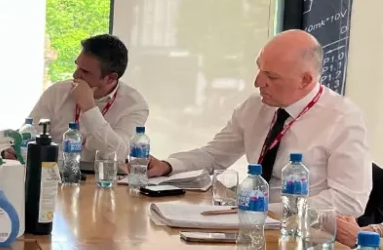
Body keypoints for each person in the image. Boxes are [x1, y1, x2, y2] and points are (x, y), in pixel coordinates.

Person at [148, 30, 371, 216]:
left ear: (305, 80)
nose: (258, 82)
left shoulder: (342, 119)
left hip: (301, 232)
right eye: (259, 70)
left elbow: (349, 200)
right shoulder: (256, 106)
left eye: (272, 77)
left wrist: (268, 211)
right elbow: (214, 156)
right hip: (250, 222)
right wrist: (168, 165)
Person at [26, 34, 148, 161]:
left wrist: (89, 108)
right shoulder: (58, 92)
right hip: (53, 170)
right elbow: (28, 136)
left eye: (85, 72)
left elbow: (119, 153)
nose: (75, 75)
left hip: (100, 173)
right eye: (77, 66)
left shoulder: (134, 105)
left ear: (110, 78)